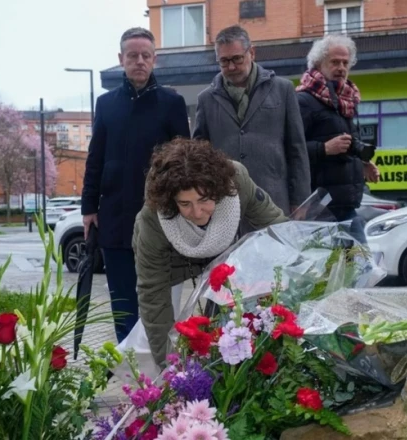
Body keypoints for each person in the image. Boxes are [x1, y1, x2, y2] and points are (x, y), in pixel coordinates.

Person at [132, 138, 288, 366]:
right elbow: (153, 295)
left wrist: (308, 259)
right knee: (152, 338)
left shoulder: (238, 182)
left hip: (221, 258)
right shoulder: (152, 219)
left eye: (204, 200)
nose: (196, 212)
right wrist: (171, 366)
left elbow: (277, 227)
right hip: (172, 267)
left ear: (218, 189)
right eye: (185, 204)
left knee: (229, 329)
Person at [81, 27, 190, 343]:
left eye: (145, 55)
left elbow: (184, 162)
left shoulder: (172, 103)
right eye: (132, 55)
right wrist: (89, 208)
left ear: (155, 59)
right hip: (115, 220)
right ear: (121, 59)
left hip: (160, 221)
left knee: (160, 305)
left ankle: (162, 375)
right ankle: (132, 377)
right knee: (124, 305)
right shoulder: (106, 105)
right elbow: (95, 158)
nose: (139, 61)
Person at [193, 25, 310, 216]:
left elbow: (297, 149)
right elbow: (199, 157)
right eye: (224, 61)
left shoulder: (283, 89)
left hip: (274, 201)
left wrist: (300, 200)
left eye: (237, 58)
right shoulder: (206, 99)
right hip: (225, 205)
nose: (231, 67)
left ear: (252, 53)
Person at [296, 34, 379, 242]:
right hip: (319, 208)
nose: (341, 67)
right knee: (339, 271)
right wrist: (324, 148)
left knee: (359, 270)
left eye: (345, 62)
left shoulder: (346, 100)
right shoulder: (304, 100)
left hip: (346, 204)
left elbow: (348, 143)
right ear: (318, 64)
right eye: (334, 62)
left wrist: (362, 163)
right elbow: (290, 150)